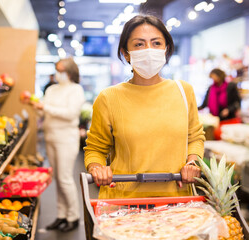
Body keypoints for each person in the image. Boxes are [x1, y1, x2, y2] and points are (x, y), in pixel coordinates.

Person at [84, 15, 205, 199]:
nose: (149, 50)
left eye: (156, 43)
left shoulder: (183, 91)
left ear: (166, 49)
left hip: (177, 202)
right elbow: (95, 148)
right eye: (139, 44)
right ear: (126, 53)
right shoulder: (109, 98)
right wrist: (97, 168)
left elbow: (195, 137)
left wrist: (193, 164)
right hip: (124, 204)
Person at [26, 57, 85, 232]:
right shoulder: (51, 89)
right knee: (58, 178)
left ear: (71, 72)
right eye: (57, 70)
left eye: (62, 71)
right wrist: (36, 107)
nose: (59, 74)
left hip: (66, 138)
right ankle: (61, 215)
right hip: (50, 137)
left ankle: (73, 217)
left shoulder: (76, 90)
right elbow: (46, 111)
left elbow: (70, 114)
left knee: (65, 178)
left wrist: (45, 108)